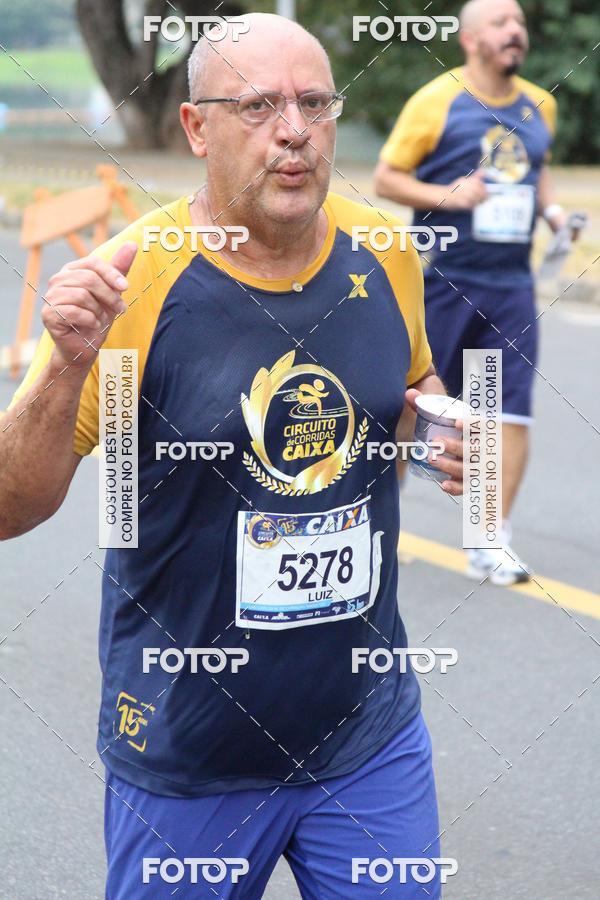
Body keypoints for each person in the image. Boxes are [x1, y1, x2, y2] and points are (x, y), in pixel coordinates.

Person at [0, 14, 463, 899]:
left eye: (314, 103)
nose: (293, 129)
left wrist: (443, 433)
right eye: (257, 106)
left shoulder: (386, 251)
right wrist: (66, 364)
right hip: (188, 751)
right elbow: (7, 507)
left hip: (366, 737)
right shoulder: (131, 278)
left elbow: (410, 388)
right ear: (196, 128)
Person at [375, 0, 574, 585]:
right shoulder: (437, 101)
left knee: (505, 413)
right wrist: (450, 194)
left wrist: (556, 214)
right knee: (411, 413)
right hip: (440, 282)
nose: (516, 32)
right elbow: (389, 176)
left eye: (519, 24)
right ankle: (380, 532)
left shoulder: (544, 105)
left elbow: (536, 171)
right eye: (500, 24)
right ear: (469, 40)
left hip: (512, 285)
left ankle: (489, 540)